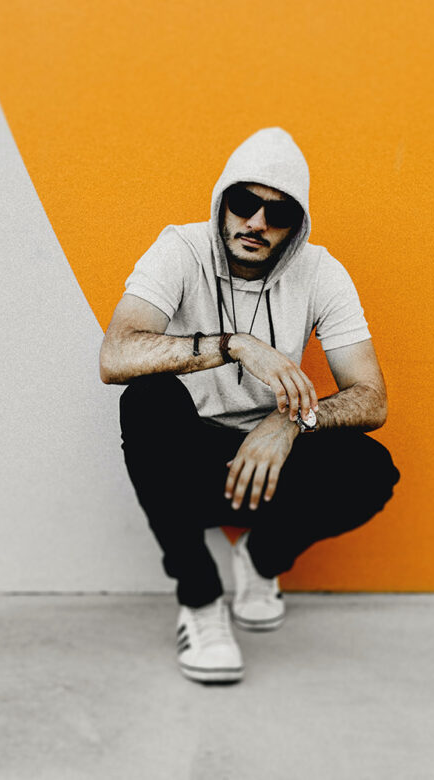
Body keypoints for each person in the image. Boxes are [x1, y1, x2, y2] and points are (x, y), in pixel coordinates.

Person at [99, 127, 400, 684]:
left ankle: (260, 560)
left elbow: (371, 397)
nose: (257, 222)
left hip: (269, 468)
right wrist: (234, 344)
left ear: (296, 224)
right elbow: (116, 355)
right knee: (146, 398)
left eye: (278, 212)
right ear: (222, 202)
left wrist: (290, 422)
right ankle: (200, 602)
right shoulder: (180, 250)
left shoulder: (320, 272)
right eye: (244, 202)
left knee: (370, 468)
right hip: (186, 465)